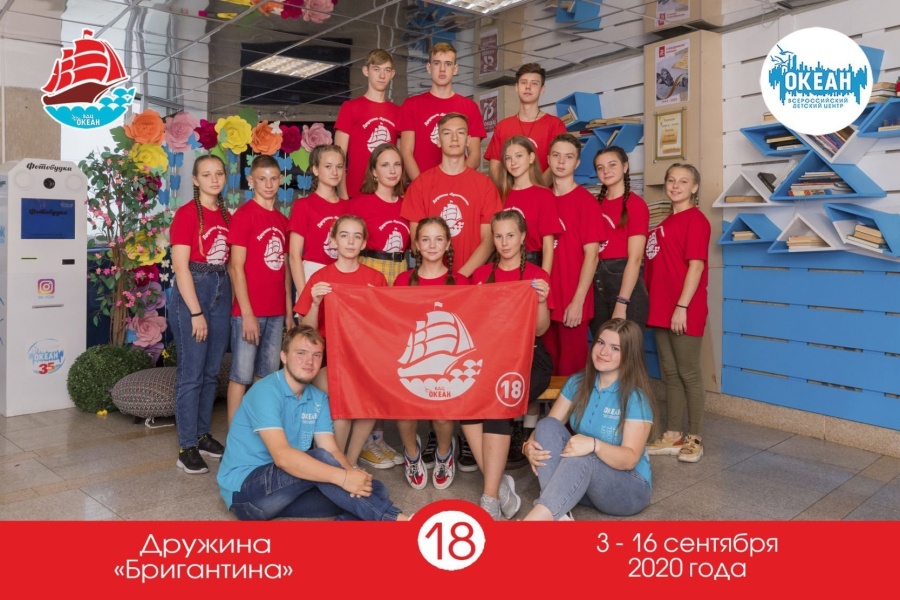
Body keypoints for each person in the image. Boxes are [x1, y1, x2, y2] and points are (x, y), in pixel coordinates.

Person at [217, 324, 410, 522]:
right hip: (246, 493)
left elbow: (332, 451)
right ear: (284, 356)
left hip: (286, 490)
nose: (309, 361)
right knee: (323, 460)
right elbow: (282, 457)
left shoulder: (318, 398)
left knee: (375, 489)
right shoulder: (265, 391)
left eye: (316, 355)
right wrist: (343, 478)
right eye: (301, 353)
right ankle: (395, 520)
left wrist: (352, 475)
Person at [522, 318, 655, 520]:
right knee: (547, 424)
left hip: (629, 488)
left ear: (629, 355)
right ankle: (560, 515)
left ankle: (534, 522)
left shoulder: (635, 398)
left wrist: (594, 445)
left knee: (584, 455)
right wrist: (528, 446)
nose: (603, 352)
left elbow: (630, 459)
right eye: (600, 342)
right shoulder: (577, 382)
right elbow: (548, 427)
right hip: (583, 484)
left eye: (615, 348)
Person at [466, 210, 552, 520]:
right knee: (465, 403)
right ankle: (500, 483)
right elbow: (472, 325)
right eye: (499, 236)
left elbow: (540, 330)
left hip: (529, 357)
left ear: (522, 237)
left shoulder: (537, 276)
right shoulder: (480, 275)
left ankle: (490, 497)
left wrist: (540, 301)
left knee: (497, 401)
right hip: (490, 357)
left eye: (510, 236)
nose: (504, 242)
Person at [293, 215, 387, 467]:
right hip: (327, 355)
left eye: (357, 237)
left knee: (370, 400)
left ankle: (351, 462)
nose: (350, 242)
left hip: (362, 354)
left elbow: (383, 326)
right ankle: (337, 463)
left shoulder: (375, 279)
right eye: (344, 235)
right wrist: (315, 303)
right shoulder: (320, 278)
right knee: (342, 396)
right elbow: (306, 332)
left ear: (364, 243)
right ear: (333, 241)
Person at [393, 217, 470, 490]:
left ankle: (444, 453)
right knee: (404, 409)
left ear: (448, 244)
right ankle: (411, 453)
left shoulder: (460, 281)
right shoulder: (403, 280)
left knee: (442, 414)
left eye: (439, 239)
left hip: (445, 364)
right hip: (411, 357)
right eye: (425, 239)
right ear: (416, 244)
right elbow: (390, 320)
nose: (432, 245)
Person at [496, 139, 561, 467]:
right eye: (507, 157)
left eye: (518, 156)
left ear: (533, 158)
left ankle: (527, 431)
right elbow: (498, 238)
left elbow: (548, 245)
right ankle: (508, 430)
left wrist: (541, 282)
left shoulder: (543, 194)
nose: (513, 162)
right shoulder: (503, 194)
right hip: (507, 267)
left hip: (532, 268)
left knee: (532, 346)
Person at [644, 163, 711, 463]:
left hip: (683, 308)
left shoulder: (696, 220)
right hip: (661, 307)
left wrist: (681, 307)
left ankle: (694, 437)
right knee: (669, 372)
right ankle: (673, 434)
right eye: (671, 180)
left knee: (689, 373)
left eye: (683, 181)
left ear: (694, 188)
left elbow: (696, 267)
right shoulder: (666, 221)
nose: (675, 186)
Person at [170, 154, 231, 474]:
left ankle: (202, 434)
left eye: (219, 173)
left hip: (222, 287)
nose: (214, 179)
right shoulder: (185, 215)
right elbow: (181, 268)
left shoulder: (227, 215)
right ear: (195, 180)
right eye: (206, 175)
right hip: (194, 290)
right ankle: (186, 447)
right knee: (192, 374)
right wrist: (196, 312)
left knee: (211, 373)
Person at [350, 143, 409, 470]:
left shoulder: (407, 203)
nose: (392, 170)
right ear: (373, 171)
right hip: (371, 272)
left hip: (399, 274)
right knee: (370, 359)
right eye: (384, 164)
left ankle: (379, 437)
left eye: (396, 164)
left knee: (390, 359)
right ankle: (365, 442)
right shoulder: (360, 204)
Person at [226, 155, 293, 424]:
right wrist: (247, 314)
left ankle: (259, 430)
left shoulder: (282, 220)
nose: (268, 184)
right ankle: (235, 436)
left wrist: (288, 312)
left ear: (280, 180)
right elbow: (235, 268)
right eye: (262, 179)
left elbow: (285, 271)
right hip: (248, 312)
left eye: (274, 178)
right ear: (250, 181)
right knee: (241, 376)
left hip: (276, 313)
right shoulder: (244, 216)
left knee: (265, 377)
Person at [401, 112, 502, 278]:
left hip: (473, 279)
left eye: (460, 132)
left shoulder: (485, 185)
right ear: (438, 140)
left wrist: (459, 278)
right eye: (447, 133)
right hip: (433, 280)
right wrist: (441, 278)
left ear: (468, 140)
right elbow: (416, 241)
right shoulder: (420, 184)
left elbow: (488, 242)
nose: (454, 138)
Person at [545, 133, 605, 376]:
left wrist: (578, 301)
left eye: (568, 157)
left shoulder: (586, 202)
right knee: (546, 371)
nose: (561, 162)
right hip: (544, 300)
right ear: (548, 159)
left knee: (572, 374)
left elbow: (592, 256)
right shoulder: (541, 198)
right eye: (556, 155)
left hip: (572, 299)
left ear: (577, 163)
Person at [399, 42, 487, 181]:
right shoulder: (411, 105)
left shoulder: (470, 107)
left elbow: (475, 156)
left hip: (458, 186)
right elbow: (406, 152)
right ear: (429, 67)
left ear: (455, 69)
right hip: (421, 185)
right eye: (437, 63)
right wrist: (421, 186)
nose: (442, 69)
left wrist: (453, 183)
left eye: (448, 64)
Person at [590, 146, 650, 336]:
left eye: (612, 165)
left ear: (625, 166)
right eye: (600, 168)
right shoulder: (594, 205)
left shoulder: (636, 205)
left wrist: (622, 302)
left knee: (626, 350)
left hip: (625, 288)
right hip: (597, 284)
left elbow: (635, 259)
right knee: (602, 347)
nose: (606, 171)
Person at [484, 63, 567, 188]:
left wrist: (534, 192)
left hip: (544, 196)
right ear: (516, 87)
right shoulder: (502, 127)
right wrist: (510, 193)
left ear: (542, 89)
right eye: (523, 83)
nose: (528, 87)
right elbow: (494, 168)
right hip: (510, 196)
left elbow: (557, 163)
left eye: (534, 83)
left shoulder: (555, 125)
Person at [334, 49, 400, 199]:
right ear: (366, 71)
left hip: (387, 195)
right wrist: (343, 195)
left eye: (387, 70)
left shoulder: (398, 112)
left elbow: (400, 158)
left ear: (392, 74)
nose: (382, 75)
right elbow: (339, 156)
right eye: (376, 69)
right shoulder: (350, 108)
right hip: (355, 192)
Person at [288, 144, 350, 301]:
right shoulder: (303, 205)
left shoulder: (348, 206)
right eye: (328, 166)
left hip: (343, 274)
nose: (334, 172)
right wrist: (303, 294)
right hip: (313, 273)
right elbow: (294, 255)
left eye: (339, 167)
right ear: (315, 169)